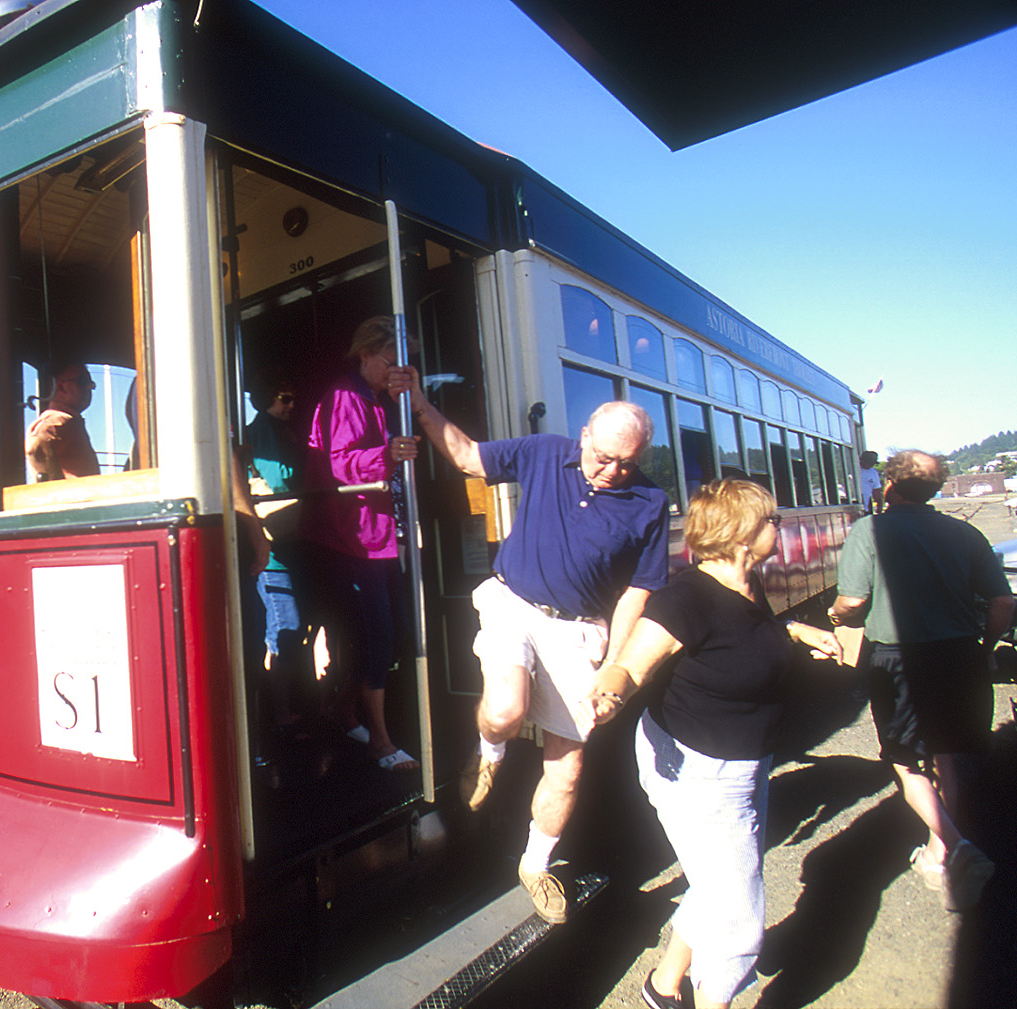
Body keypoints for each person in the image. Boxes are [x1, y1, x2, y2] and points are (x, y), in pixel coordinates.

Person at [390, 372, 669, 923]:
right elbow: (469, 457)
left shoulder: (650, 502)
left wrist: (615, 667)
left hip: (581, 628)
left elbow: (639, 590)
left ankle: (535, 864)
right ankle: (488, 754)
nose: (613, 472)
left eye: (627, 463)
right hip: (512, 603)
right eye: (605, 457)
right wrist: (418, 402)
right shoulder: (545, 452)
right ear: (585, 436)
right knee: (504, 711)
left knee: (567, 766)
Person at [586, 480, 844, 1009]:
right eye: (771, 520)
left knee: (715, 880)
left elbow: (747, 634)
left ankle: (663, 986)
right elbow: (629, 667)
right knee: (740, 926)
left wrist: (796, 631)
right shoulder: (683, 601)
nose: (781, 526)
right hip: (699, 773)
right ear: (741, 533)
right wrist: (609, 696)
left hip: (745, 763)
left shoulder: (749, 582)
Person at [829, 450, 1012, 912]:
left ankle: (957, 845)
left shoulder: (868, 531)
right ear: (935, 490)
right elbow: (1003, 604)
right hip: (959, 656)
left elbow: (852, 601)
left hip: (898, 662)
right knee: (949, 754)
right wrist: (985, 647)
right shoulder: (964, 532)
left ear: (888, 485)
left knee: (907, 761)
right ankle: (938, 854)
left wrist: (836, 614)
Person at [301, 316, 421, 773]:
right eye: (392, 362)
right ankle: (380, 742)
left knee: (388, 637)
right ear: (366, 354)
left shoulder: (375, 398)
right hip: (355, 539)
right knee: (378, 636)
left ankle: (344, 712)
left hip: (377, 536)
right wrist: (388, 455)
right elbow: (340, 465)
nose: (397, 372)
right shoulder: (345, 397)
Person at [240, 370, 311, 735]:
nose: (291, 405)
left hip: (284, 546)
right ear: (267, 400)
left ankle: (282, 708)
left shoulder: (274, 430)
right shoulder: (265, 431)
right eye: (285, 398)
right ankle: (278, 713)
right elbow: (279, 484)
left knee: (285, 626)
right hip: (275, 548)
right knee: (286, 627)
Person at [26, 361, 101, 480]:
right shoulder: (59, 420)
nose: (89, 387)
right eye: (83, 382)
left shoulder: (69, 421)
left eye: (90, 383)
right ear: (60, 386)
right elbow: (36, 446)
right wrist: (55, 488)